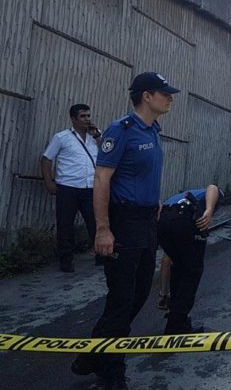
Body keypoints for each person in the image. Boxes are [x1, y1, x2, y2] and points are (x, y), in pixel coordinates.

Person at [71, 72, 179, 390]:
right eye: (164, 93)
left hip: (146, 222)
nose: (169, 98)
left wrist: (154, 202)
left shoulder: (153, 130)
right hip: (124, 223)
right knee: (121, 298)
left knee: (140, 293)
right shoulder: (122, 130)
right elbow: (102, 178)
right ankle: (112, 372)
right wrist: (103, 229)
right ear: (146, 96)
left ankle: (92, 355)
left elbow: (141, 175)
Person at [41, 104, 102, 272]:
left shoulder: (95, 136)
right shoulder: (62, 137)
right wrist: (49, 182)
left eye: (88, 115)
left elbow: (107, 152)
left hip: (90, 187)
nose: (87, 119)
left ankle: (101, 255)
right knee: (65, 225)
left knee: (96, 223)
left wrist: (97, 136)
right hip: (68, 187)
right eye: (83, 116)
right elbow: (46, 159)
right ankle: (66, 260)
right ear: (73, 119)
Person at [156, 185, 223, 334]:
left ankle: (176, 320)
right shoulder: (205, 196)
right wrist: (209, 210)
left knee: (179, 268)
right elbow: (214, 187)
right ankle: (177, 325)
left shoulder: (176, 199)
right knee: (192, 271)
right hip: (184, 219)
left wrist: (164, 293)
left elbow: (166, 260)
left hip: (162, 222)